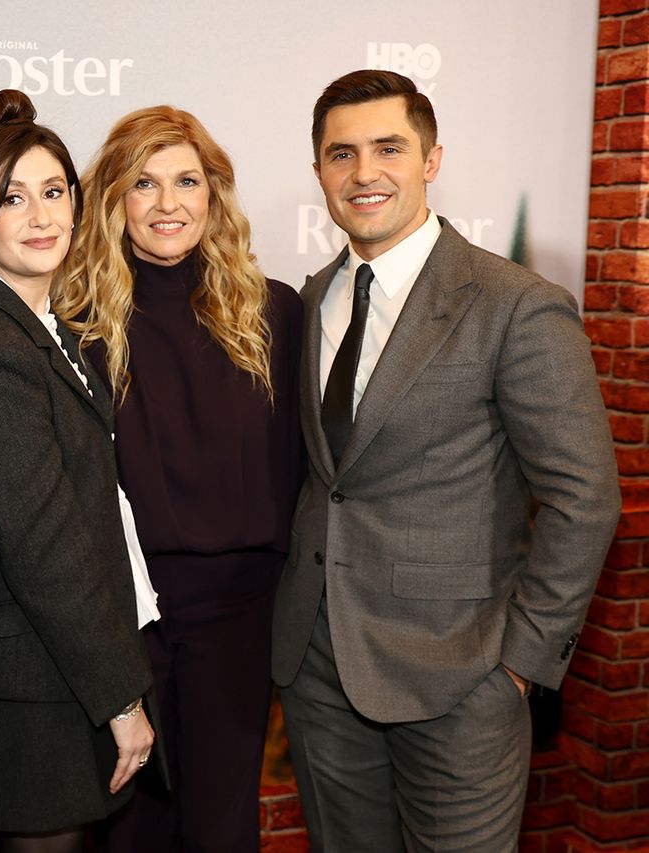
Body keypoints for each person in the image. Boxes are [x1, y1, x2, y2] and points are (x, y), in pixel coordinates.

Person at [272, 69, 621, 851]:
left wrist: (519, 667)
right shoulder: (312, 295)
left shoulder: (514, 304)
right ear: (320, 170)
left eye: (388, 148)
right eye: (341, 154)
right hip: (320, 671)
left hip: (463, 678)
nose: (364, 173)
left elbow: (585, 498)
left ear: (431, 160)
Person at [55, 107, 303, 853]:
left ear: (213, 194)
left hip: (241, 612)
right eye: (144, 183)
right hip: (129, 616)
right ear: (113, 202)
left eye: (186, 181)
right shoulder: (78, 324)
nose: (168, 204)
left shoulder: (273, 311)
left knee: (224, 823)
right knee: (134, 825)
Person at [0, 89, 157, 853]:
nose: (40, 217)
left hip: (60, 673)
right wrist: (120, 697)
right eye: (12, 199)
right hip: (34, 687)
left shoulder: (46, 328)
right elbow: (42, 543)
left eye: (54, 192)